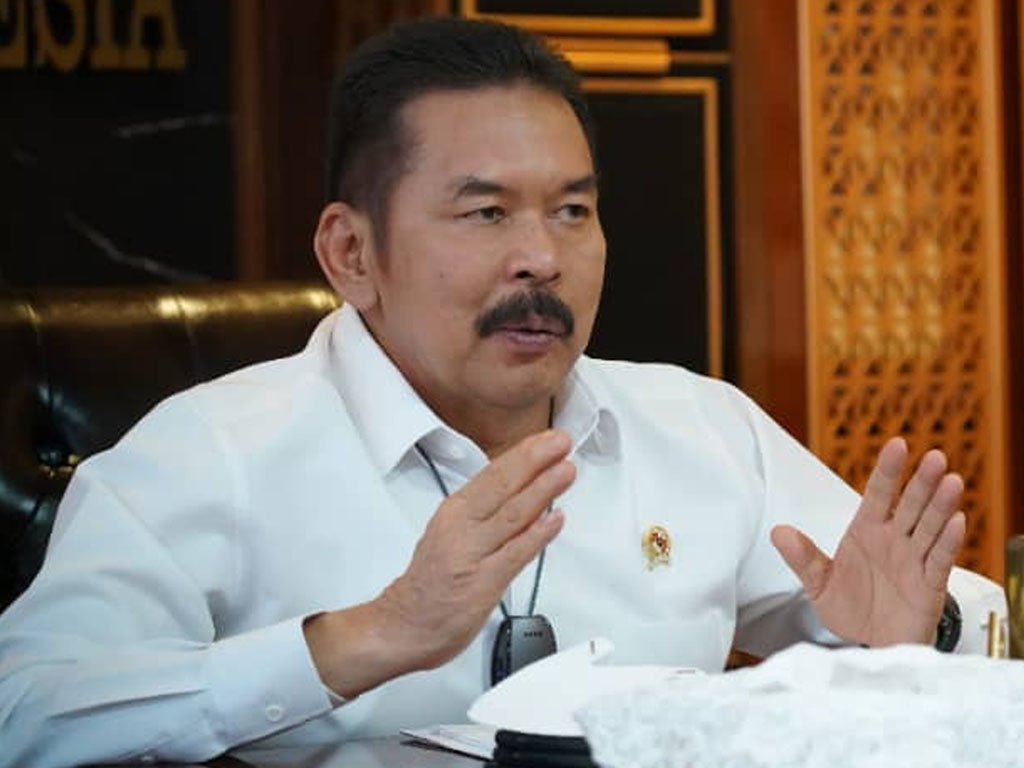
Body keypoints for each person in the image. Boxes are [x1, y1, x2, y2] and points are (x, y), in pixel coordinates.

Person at [0, 16, 973, 767]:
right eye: (487, 212)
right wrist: (367, 638)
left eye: (573, 211)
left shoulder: (699, 425)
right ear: (351, 253)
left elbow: (919, 614)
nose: (541, 257)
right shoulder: (208, 453)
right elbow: (25, 712)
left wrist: (917, 635)